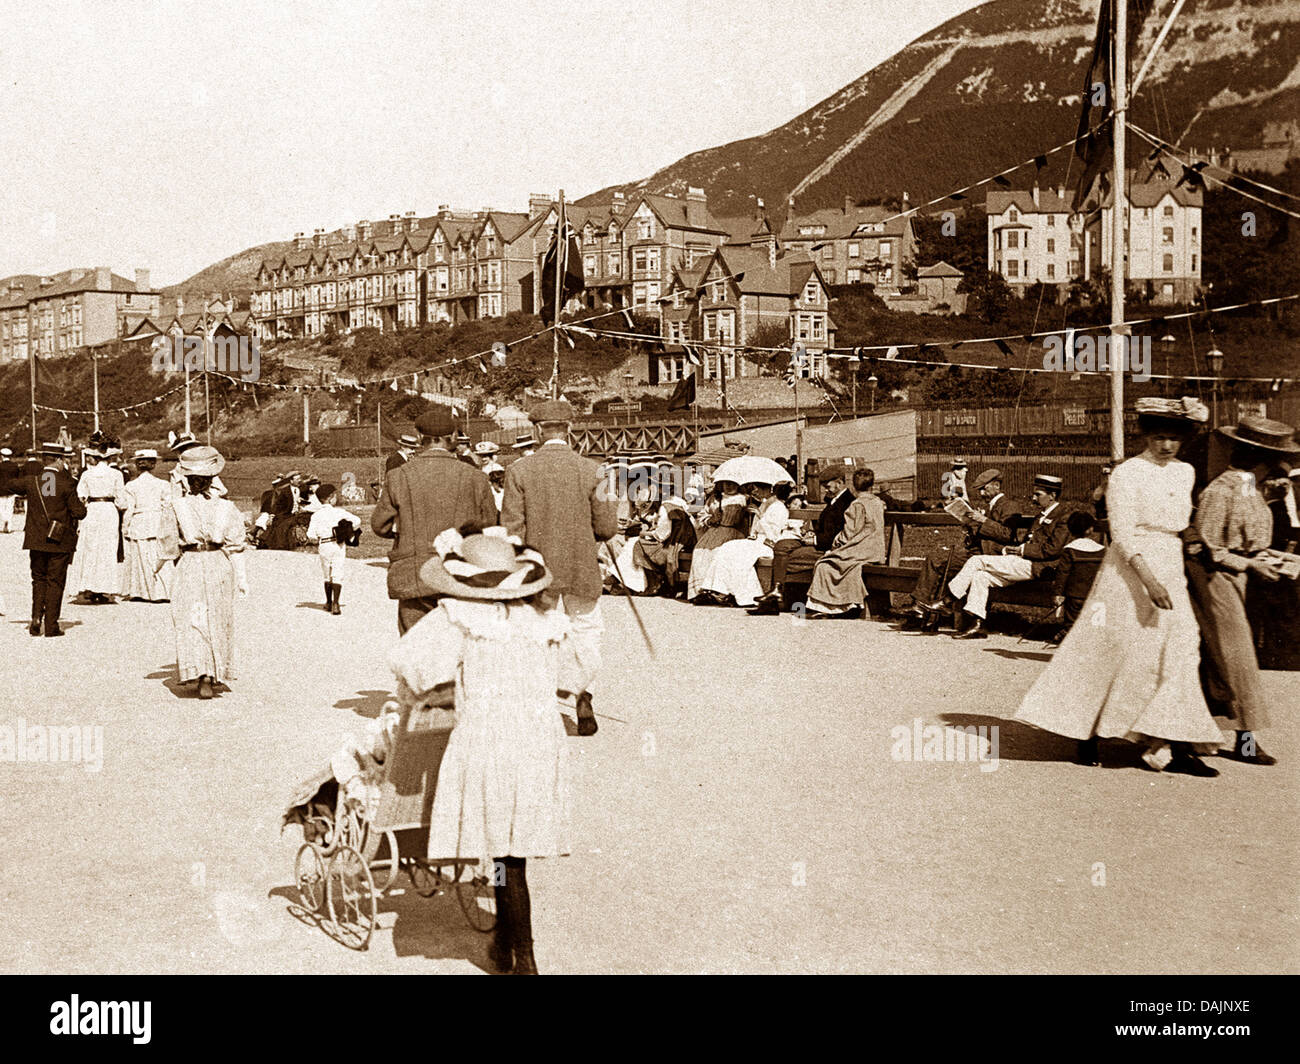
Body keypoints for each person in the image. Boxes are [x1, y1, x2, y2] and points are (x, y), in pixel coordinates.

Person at [388, 532, 573, 974]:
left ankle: (521, 953)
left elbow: (411, 666)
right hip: (538, 739)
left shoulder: (457, 616)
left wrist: (442, 693)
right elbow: (574, 673)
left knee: (502, 847)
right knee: (511, 850)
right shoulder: (541, 618)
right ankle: (509, 944)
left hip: (491, 738)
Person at [1014, 397, 1225, 775]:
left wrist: (1189, 546)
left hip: (1170, 562)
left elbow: (1181, 521)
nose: (1166, 446)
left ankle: (1173, 743)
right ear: (1145, 435)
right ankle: (1088, 733)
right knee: (1113, 647)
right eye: (1159, 437)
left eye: (1173, 439)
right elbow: (1123, 532)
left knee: (1179, 649)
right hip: (1128, 570)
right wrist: (1148, 578)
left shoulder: (1185, 472)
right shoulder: (1127, 473)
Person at [1186, 414, 1300, 767]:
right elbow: (1213, 549)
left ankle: (1211, 736)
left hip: (1245, 581)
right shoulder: (1221, 490)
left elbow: (1248, 535)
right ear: (1262, 457)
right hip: (1218, 582)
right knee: (1238, 663)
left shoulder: (1250, 486)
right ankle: (1244, 743)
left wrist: (1274, 556)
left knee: (1231, 661)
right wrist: (1252, 563)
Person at [501, 400, 618, 736]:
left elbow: (512, 533)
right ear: (571, 430)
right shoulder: (596, 470)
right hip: (582, 565)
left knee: (539, 635)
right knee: (586, 632)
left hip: (538, 572)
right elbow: (608, 528)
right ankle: (583, 694)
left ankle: (542, 704)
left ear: (537, 431)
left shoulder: (519, 471)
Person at [372, 408, 498, 634]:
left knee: (415, 645)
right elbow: (490, 525)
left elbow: (379, 525)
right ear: (452, 438)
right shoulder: (476, 477)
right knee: (459, 642)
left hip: (415, 571)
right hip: (461, 572)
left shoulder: (399, 475)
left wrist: (406, 529)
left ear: (420, 438)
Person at [156, 445, 248, 699]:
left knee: (192, 618)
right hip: (218, 562)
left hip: (191, 562)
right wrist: (241, 577)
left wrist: (169, 563)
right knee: (217, 617)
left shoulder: (175, 506)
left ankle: (199, 672)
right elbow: (236, 543)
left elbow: (168, 545)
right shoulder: (226, 507)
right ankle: (213, 673)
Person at [942, 473, 1071, 639]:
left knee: (976, 561)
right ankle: (977, 625)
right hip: (1024, 563)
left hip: (1041, 567)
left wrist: (1021, 550)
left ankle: (947, 601)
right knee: (981, 577)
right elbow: (1027, 542)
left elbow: (1052, 550)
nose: (1033, 498)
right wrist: (1010, 550)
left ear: (1052, 496)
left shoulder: (1063, 516)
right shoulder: (1041, 515)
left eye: (1038, 494)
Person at [906, 468, 1029, 631]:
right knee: (939, 560)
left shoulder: (1010, 506)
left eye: (985, 489)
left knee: (942, 563)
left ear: (996, 486)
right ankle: (924, 610)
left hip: (990, 555)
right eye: (980, 490)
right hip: (976, 551)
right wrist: (971, 523)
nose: (982, 494)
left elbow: (1007, 534)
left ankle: (925, 612)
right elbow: (987, 531)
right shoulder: (993, 506)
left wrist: (983, 520)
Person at [7, 443, 86, 636]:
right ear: (59, 460)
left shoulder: (31, 481)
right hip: (59, 540)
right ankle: (51, 625)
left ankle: (36, 618)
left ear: (44, 460)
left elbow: (8, 485)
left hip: (35, 540)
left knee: (38, 579)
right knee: (55, 581)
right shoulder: (67, 483)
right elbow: (79, 513)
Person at [747, 474, 852, 615]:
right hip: (820, 541)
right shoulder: (834, 500)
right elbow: (825, 527)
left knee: (788, 558)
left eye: (828, 487)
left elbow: (840, 533)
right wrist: (811, 534)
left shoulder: (847, 502)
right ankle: (775, 593)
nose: (825, 490)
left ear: (839, 483)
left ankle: (776, 598)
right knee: (781, 545)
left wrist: (815, 540)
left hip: (831, 547)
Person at [806, 468, 886, 619]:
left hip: (859, 548)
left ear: (854, 486)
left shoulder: (856, 505)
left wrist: (835, 544)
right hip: (875, 549)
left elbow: (848, 533)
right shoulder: (877, 502)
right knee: (848, 567)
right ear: (872, 485)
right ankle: (848, 603)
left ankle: (833, 605)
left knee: (824, 564)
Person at [695, 481, 790, 608]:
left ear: (769, 490)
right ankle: (718, 589)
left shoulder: (778, 507)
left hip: (768, 544)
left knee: (740, 553)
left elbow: (774, 534)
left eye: (758, 489)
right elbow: (755, 529)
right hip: (756, 541)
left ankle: (739, 594)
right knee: (728, 547)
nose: (755, 491)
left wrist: (759, 516)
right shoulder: (765, 504)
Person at [68, 445, 126, 604]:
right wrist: (120, 506)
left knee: (90, 547)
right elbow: (121, 499)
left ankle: (89, 587)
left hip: (92, 510)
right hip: (108, 510)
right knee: (107, 548)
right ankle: (104, 587)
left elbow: (81, 496)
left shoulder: (87, 474)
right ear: (110, 458)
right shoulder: (116, 474)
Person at [687, 480, 750, 603]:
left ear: (738, 485)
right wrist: (710, 520)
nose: (728, 486)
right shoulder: (714, 498)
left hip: (733, 533)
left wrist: (742, 513)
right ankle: (702, 591)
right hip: (713, 532)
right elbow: (702, 514)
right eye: (725, 483)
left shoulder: (743, 499)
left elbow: (746, 521)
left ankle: (719, 592)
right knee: (700, 552)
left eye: (732, 483)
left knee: (718, 553)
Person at [1048, 509, 1105, 643]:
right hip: (1096, 595)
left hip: (1075, 595)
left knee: (1072, 624)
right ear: (1091, 529)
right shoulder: (1101, 550)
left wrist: (1057, 593)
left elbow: (1063, 573)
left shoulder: (1070, 550)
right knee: (1097, 625)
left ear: (1070, 529)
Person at [121, 449, 170, 602]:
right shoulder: (163, 484)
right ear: (153, 464)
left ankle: (140, 591)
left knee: (140, 557)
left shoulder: (131, 485)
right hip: (158, 521)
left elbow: (129, 509)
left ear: (137, 465)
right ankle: (161, 592)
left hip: (139, 522)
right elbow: (168, 506)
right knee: (158, 555)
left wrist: (125, 526)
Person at [306, 483, 361, 615]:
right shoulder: (339, 512)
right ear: (330, 498)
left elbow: (311, 535)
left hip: (324, 545)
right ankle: (336, 603)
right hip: (338, 544)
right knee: (337, 572)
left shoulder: (316, 515)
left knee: (327, 573)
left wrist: (317, 537)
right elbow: (357, 520)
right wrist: (348, 530)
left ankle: (328, 602)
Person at [168, 431, 228, 498]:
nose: (187, 451)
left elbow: (222, 491)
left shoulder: (206, 466)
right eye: (182, 449)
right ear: (177, 453)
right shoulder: (176, 473)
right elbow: (176, 497)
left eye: (190, 447)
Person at [0, 447, 16, 533]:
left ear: (2, 456)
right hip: (12, 489)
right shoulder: (15, 466)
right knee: (10, 507)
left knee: (1, 507)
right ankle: (9, 527)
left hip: (1, 490)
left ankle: (5, 519)